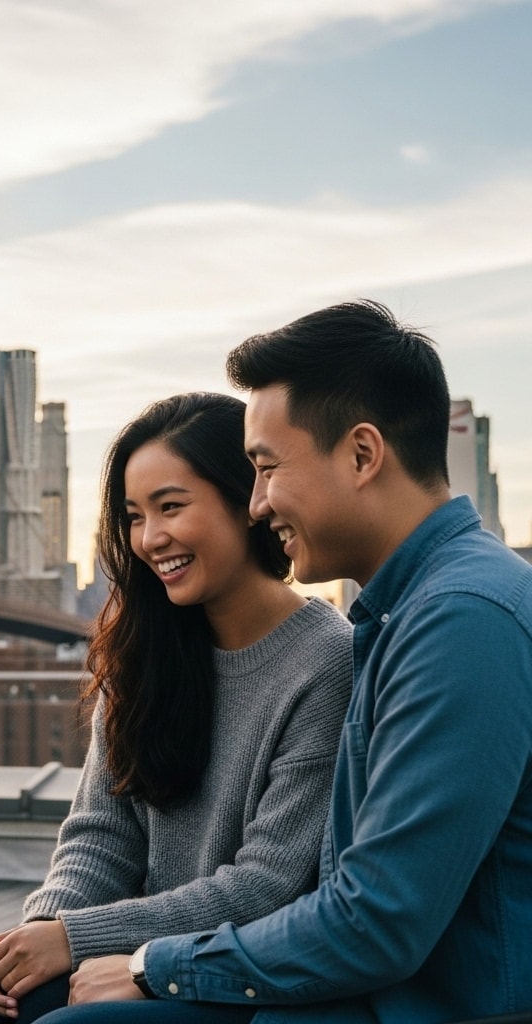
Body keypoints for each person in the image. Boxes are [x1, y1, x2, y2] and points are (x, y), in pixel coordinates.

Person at [57, 299, 532, 1023]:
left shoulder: (462, 621)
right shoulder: (406, 612)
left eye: (266, 468)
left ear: (363, 455)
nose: (256, 504)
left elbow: (375, 923)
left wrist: (154, 966)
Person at [0, 392, 353, 1024]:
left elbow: (267, 886)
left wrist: (77, 938)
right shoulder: (145, 651)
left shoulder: (326, 662)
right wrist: (45, 926)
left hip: (235, 976)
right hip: (135, 952)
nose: (150, 538)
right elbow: (101, 836)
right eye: (134, 516)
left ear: (246, 500)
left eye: (171, 507)